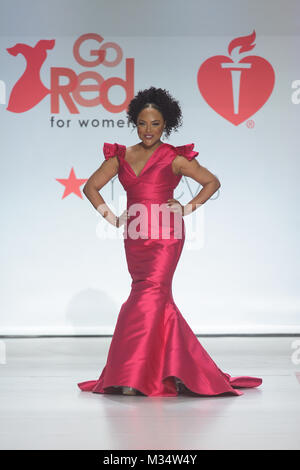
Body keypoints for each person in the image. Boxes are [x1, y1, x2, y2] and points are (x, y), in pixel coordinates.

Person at [77, 86, 262, 397]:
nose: (148, 130)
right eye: (142, 123)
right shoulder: (121, 157)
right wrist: (113, 217)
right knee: (151, 297)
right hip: (135, 235)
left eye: (155, 124)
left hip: (166, 234)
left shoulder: (174, 157)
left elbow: (211, 181)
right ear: (134, 122)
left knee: (149, 295)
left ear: (166, 125)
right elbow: (90, 187)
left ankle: (134, 375)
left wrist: (186, 208)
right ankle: (166, 370)